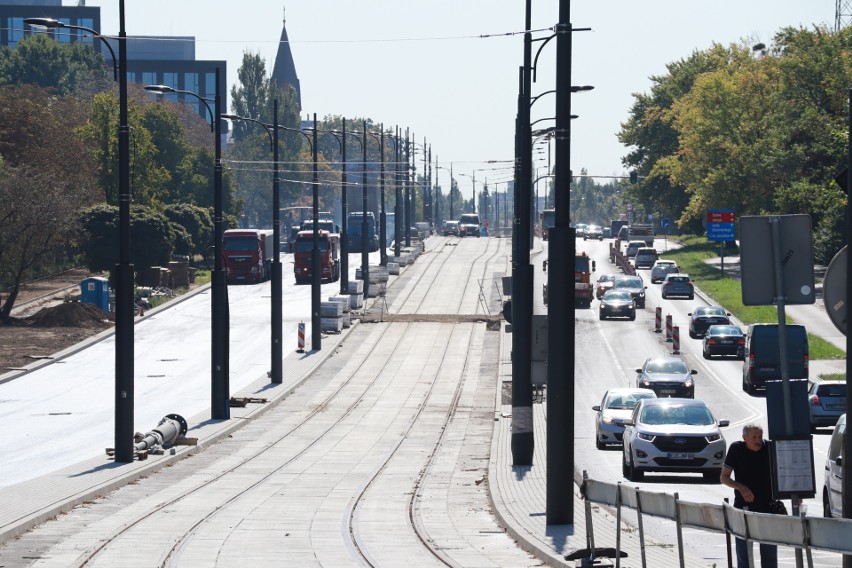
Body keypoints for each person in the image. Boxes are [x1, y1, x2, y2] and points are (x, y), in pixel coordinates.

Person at [720, 424, 778, 568]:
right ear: (744, 438)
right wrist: (740, 487)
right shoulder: (736, 449)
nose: (758, 440)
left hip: (768, 509)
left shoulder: (770, 448)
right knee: (744, 557)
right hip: (743, 509)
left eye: (760, 436)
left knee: (770, 557)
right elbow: (724, 477)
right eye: (754, 437)